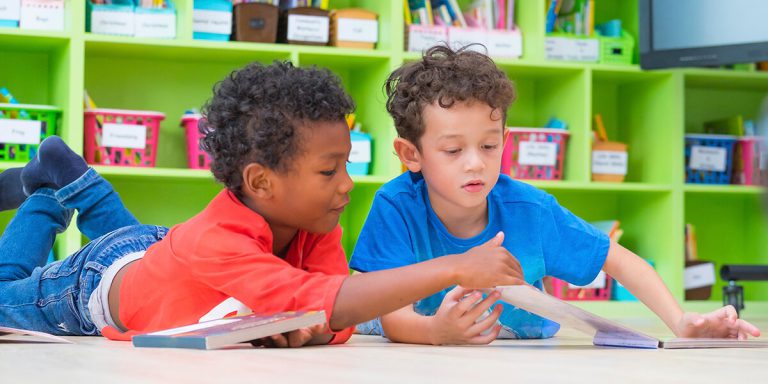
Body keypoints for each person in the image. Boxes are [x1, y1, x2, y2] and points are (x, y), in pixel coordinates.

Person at [0, 61, 523, 347]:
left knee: (144, 254)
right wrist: (454, 266)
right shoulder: (217, 241)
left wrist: (310, 332)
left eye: (345, 165)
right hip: (90, 287)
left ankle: (75, 183)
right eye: (328, 170)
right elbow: (333, 298)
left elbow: (330, 313)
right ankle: (51, 193)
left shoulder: (316, 218)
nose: (347, 184)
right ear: (261, 182)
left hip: (163, 258)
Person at [349, 45, 762, 345]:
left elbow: (620, 260)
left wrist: (680, 320)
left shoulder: (529, 209)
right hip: (419, 354)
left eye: (489, 146)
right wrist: (436, 333)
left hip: (519, 358)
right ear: (411, 154)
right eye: (454, 150)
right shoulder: (396, 206)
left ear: (505, 140)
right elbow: (390, 315)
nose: (475, 163)